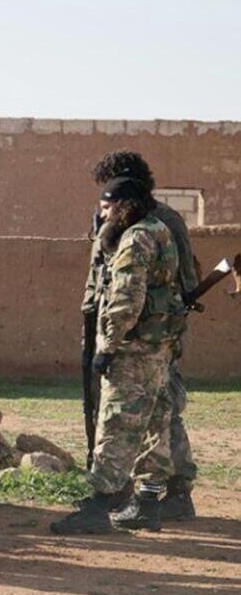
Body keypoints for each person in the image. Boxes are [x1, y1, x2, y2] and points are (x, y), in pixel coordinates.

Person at [52, 177, 183, 535]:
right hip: (158, 348)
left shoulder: (135, 238)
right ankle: (147, 503)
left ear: (123, 206)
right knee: (155, 424)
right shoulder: (159, 230)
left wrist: (106, 348)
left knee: (117, 424)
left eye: (107, 209)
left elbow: (126, 298)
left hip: (132, 349)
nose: (102, 216)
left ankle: (97, 506)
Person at [86, 151, 199, 522]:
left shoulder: (154, 225)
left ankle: (175, 490)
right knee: (148, 412)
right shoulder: (128, 225)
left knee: (157, 411)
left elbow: (173, 281)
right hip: (136, 331)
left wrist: (115, 339)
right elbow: (101, 275)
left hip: (144, 336)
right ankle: (142, 497)